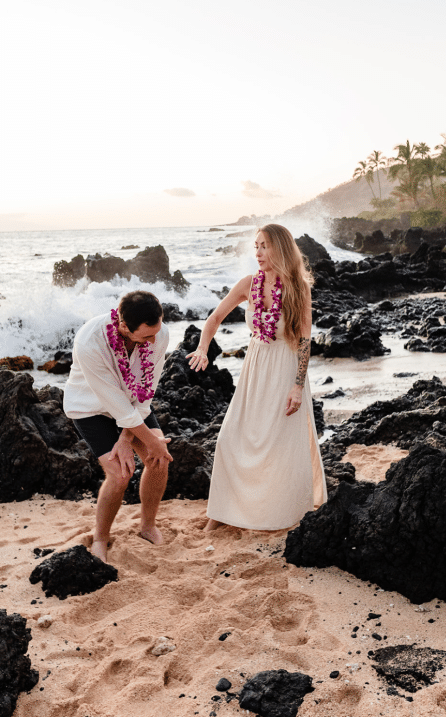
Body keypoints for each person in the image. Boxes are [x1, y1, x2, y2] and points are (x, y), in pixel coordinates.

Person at [188, 223, 326, 531]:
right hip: (255, 364)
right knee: (230, 438)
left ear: (280, 247)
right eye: (256, 246)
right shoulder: (248, 284)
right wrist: (202, 348)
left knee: (277, 444)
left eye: (264, 245)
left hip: (285, 366)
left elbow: (304, 340)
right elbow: (214, 318)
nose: (259, 252)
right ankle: (220, 513)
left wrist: (298, 386)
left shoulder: (298, 288)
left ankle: (277, 514)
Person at [64, 290, 173, 563]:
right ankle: (101, 537)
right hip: (91, 407)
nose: (154, 340)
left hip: (133, 405)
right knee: (120, 474)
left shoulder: (159, 334)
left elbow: (144, 393)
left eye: (156, 331)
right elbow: (113, 402)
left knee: (158, 459)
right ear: (124, 325)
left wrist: (128, 439)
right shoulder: (90, 341)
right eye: (146, 336)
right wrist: (140, 439)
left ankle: (147, 527)